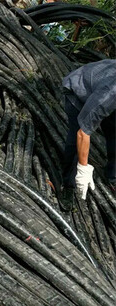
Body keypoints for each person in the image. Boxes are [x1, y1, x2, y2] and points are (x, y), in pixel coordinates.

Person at [59, 59, 116, 211]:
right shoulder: (109, 95)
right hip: (79, 91)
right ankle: (67, 185)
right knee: (75, 139)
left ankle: (113, 175)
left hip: (101, 81)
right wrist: (83, 168)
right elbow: (83, 133)